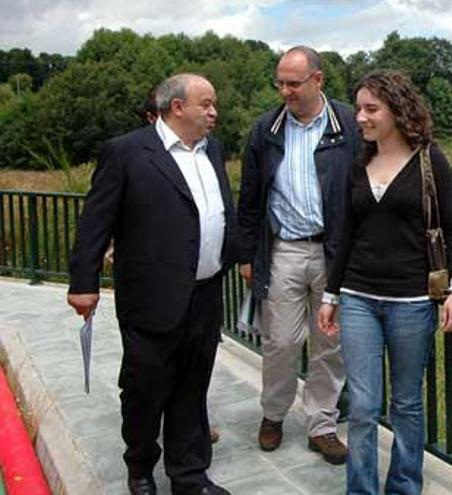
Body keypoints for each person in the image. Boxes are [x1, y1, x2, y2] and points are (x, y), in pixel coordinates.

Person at [68, 74, 237, 495]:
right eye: (207, 104)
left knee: (192, 387)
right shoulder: (127, 152)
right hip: (151, 297)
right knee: (145, 387)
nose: (214, 112)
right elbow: (95, 222)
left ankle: (189, 476)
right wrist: (83, 281)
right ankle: (140, 468)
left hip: (204, 292)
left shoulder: (212, 150)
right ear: (177, 107)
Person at [317, 70, 452, 495]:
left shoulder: (429, 159)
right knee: (362, 407)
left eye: (371, 109)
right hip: (358, 299)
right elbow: (347, 234)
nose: (360, 117)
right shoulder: (358, 165)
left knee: (406, 405)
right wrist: (331, 294)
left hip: (413, 302)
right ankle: (361, 489)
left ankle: (404, 487)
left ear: (397, 111)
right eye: (359, 108)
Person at [236, 46, 357, 463]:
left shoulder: (348, 126)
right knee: (281, 341)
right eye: (280, 82)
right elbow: (249, 198)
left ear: (318, 80)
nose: (285, 91)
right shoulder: (266, 129)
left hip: (334, 253)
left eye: (293, 83)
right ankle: (273, 414)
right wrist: (247, 254)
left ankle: (321, 425)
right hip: (284, 248)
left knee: (330, 343)